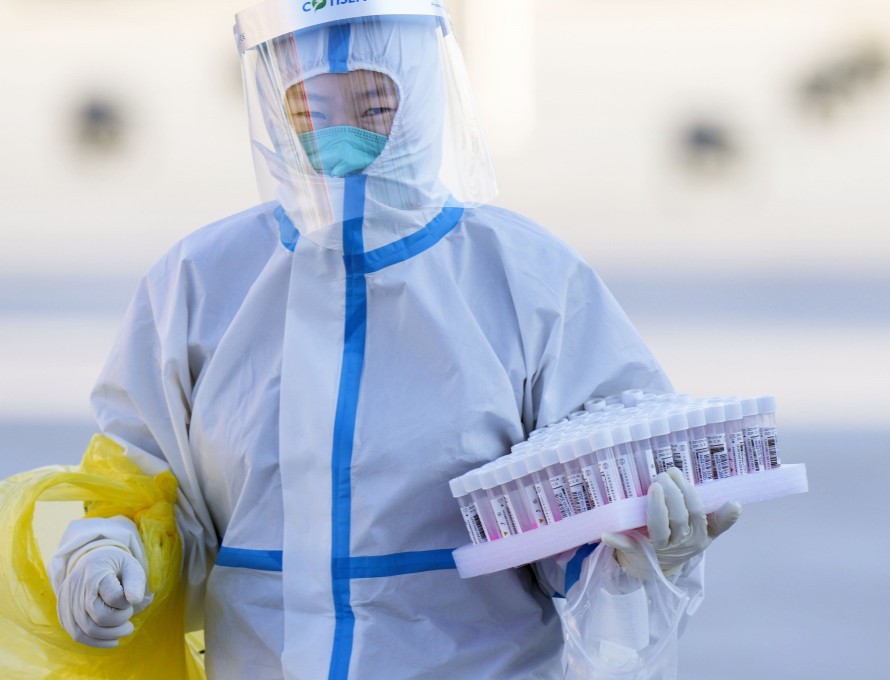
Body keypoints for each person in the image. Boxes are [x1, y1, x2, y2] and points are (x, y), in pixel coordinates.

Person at [47, 1, 740, 677]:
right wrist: (113, 548)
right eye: (311, 111)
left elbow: (587, 511)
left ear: (429, 93)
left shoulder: (528, 283)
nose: (343, 139)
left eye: (376, 106)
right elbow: (143, 478)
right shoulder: (199, 286)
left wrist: (632, 546)